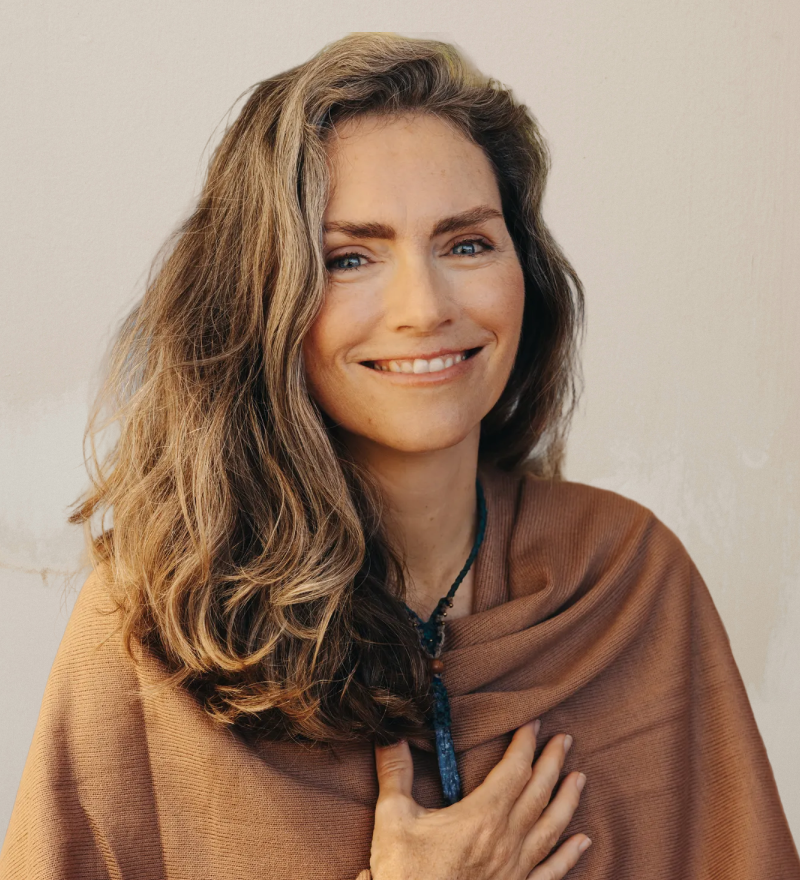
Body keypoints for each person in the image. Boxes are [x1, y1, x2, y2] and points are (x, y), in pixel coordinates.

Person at [1, 32, 798, 880]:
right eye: (351, 257)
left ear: (524, 269)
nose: (424, 307)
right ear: (261, 299)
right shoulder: (147, 627)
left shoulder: (630, 580)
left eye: (467, 244)